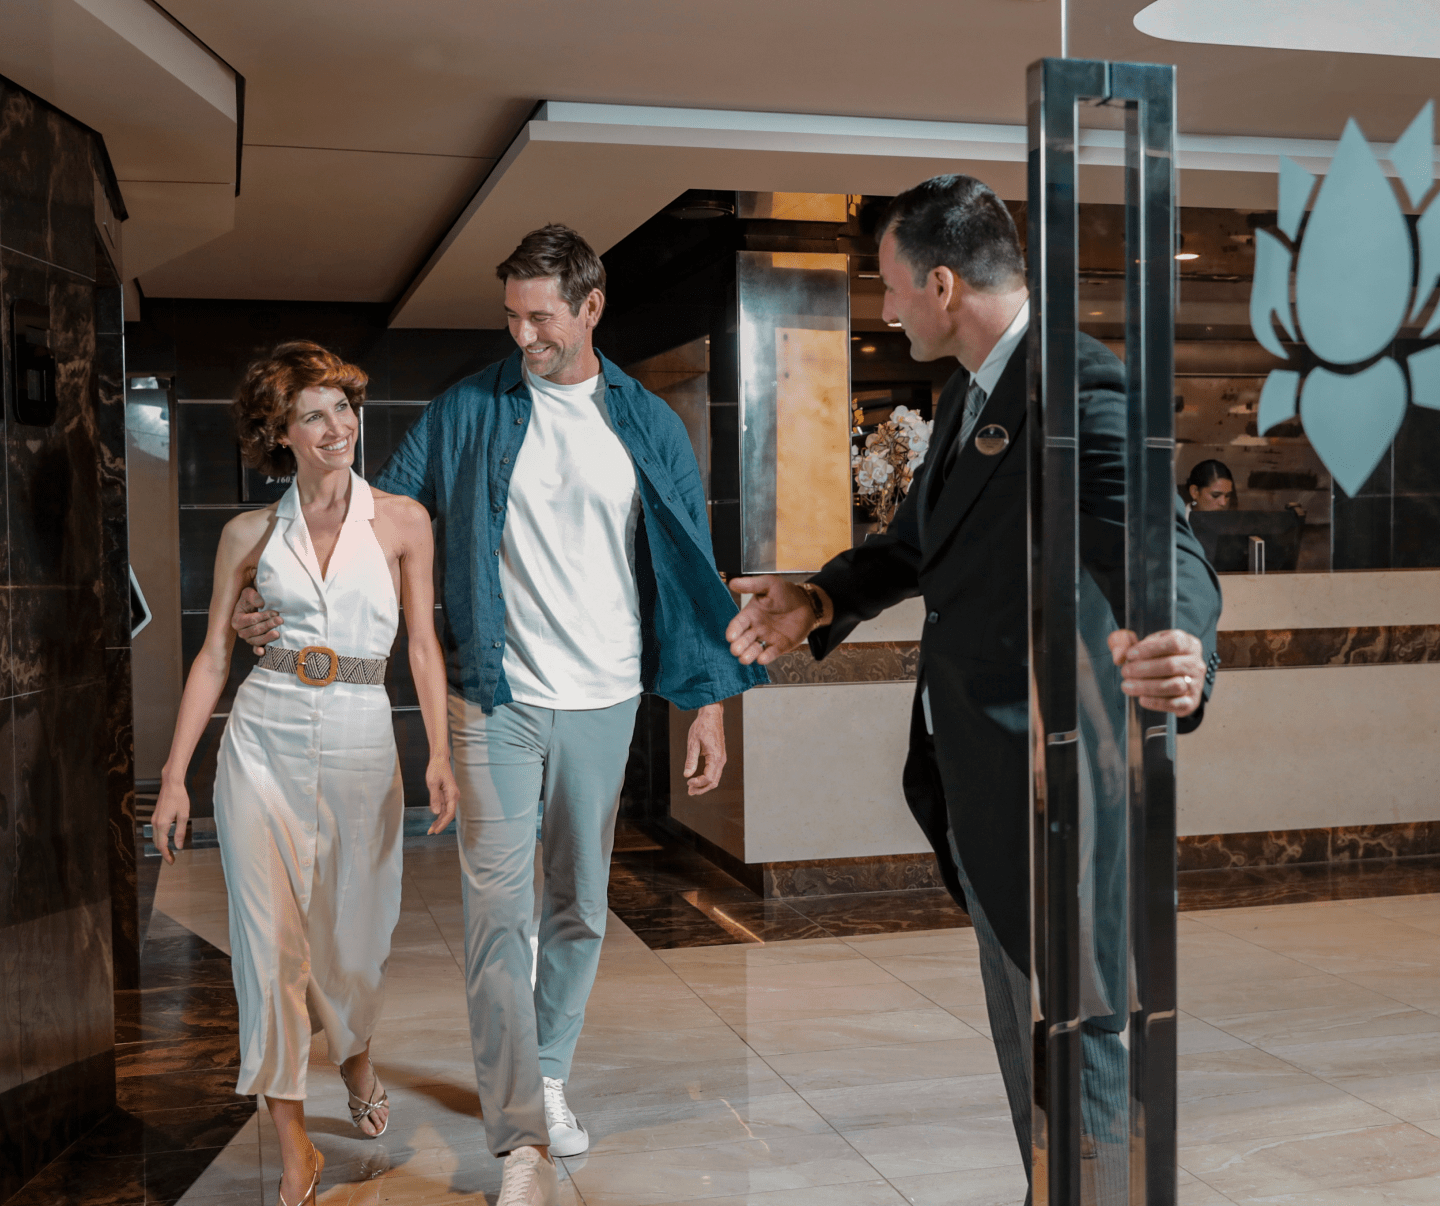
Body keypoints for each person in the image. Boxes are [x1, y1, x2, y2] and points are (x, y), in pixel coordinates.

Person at [233, 226, 765, 1206]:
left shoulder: (646, 425)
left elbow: (693, 563)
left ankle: (547, 1068)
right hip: (495, 695)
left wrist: (707, 706)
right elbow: (375, 513)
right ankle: (519, 1123)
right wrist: (266, 583)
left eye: (542, 318)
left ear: (592, 307)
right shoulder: (470, 409)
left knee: (576, 906)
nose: (523, 335)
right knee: (497, 916)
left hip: (605, 697)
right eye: (511, 316)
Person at [725, 176, 1222, 1206]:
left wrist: (1183, 641)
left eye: (893, 287)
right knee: (1032, 1036)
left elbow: (1161, 546)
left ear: (943, 282)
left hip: (1059, 783)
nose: (888, 307)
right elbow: (918, 546)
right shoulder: (972, 394)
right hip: (986, 783)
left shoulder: (1079, 388)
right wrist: (819, 598)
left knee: (1085, 1045)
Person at [151, 341, 459, 1206]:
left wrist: (436, 749)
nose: (339, 428)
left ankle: (355, 1057)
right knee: (270, 952)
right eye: (315, 415)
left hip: (365, 743)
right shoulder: (249, 533)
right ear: (278, 432)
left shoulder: (402, 521)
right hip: (262, 744)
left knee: (354, 950)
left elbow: (426, 647)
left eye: (345, 409)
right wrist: (177, 775)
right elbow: (215, 655)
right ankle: (293, 1147)